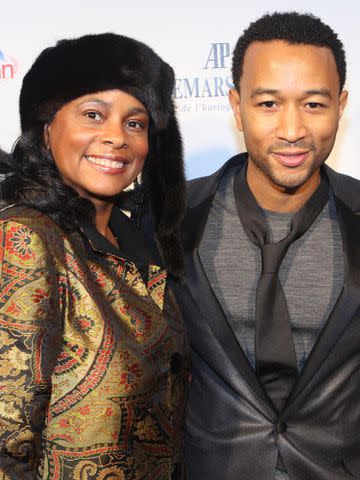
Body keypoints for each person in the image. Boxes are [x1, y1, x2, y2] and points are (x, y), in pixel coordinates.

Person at [173, 11, 360, 480]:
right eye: (269, 104)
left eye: (314, 105)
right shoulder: (172, 217)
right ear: (237, 108)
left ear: (341, 105)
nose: (292, 130)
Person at [0, 33, 189, 480]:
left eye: (135, 123)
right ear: (46, 128)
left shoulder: (139, 241)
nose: (116, 138)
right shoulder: (25, 238)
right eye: (93, 115)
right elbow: (7, 441)